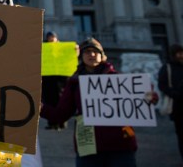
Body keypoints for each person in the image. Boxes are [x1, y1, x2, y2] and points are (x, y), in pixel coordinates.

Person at [41, 38, 138, 166]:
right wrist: (40, 108)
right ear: (81, 56)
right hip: (89, 147)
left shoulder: (118, 79)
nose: (91, 54)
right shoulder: (74, 83)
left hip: (120, 145)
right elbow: (61, 114)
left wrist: (149, 98)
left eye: (95, 51)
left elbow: (137, 104)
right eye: (87, 52)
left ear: (102, 56)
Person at [158, 43, 183, 161]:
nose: (181, 55)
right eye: (179, 53)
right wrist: (174, 93)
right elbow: (162, 85)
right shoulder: (167, 68)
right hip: (178, 107)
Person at [41, 31, 68, 130]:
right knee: (49, 101)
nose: (51, 39)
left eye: (53, 37)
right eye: (49, 37)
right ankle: (52, 123)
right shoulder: (43, 49)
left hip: (60, 80)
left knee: (60, 102)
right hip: (47, 80)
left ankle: (62, 123)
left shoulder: (63, 49)